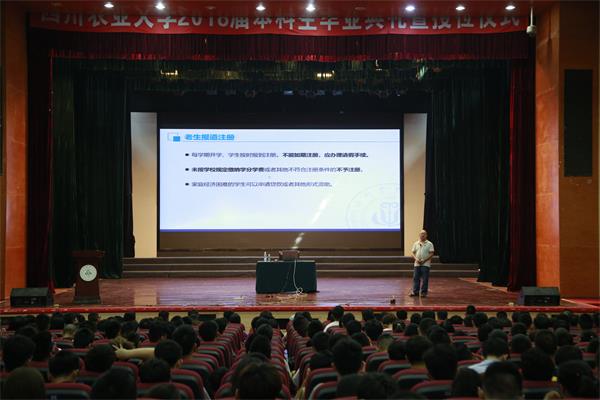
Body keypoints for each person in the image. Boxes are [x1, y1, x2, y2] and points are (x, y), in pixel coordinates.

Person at [410, 229, 435, 297]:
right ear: (419, 235)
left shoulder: (429, 244)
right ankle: (415, 292)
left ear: (426, 235)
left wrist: (424, 260)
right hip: (417, 263)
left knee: (425, 279)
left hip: (425, 264)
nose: (422, 235)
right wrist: (416, 259)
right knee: (416, 278)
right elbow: (412, 253)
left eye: (424, 234)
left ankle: (424, 293)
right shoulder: (416, 243)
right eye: (421, 234)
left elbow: (431, 253)